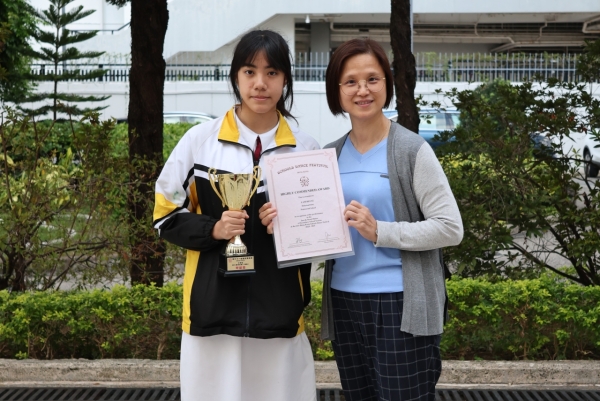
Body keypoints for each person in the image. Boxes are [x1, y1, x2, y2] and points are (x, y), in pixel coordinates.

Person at [153, 30, 319, 401]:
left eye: (272, 72)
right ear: (235, 76)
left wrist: (290, 226)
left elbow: (322, 233)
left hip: (279, 314)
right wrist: (213, 228)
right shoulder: (200, 141)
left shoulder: (306, 149)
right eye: (249, 71)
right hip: (212, 315)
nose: (260, 83)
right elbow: (164, 214)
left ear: (285, 79)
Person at [319, 39, 464, 401]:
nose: (362, 90)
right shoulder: (328, 156)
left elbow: (450, 227)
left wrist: (380, 231)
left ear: (387, 84)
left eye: (372, 79)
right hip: (343, 301)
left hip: (401, 303)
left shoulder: (412, 150)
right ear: (337, 91)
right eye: (351, 81)